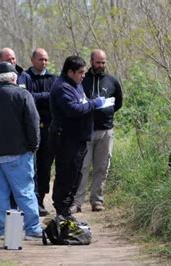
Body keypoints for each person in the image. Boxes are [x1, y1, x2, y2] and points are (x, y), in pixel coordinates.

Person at [0, 62, 43, 239]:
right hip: (18, 153)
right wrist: (33, 146)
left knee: (0, 194)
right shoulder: (23, 94)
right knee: (24, 192)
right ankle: (32, 228)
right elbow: (33, 123)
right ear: (14, 78)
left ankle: (4, 231)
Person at [49, 55, 106, 219]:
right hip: (66, 140)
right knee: (66, 175)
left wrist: (91, 102)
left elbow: (83, 102)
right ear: (70, 72)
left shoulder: (76, 85)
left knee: (75, 175)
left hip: (78, 139)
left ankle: (66, 211)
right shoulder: (62, 87)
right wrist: (95, 104)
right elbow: (73, 109)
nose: (83, 75)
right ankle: (62, 211)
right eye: (80, 72)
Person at [71, 49, 123, 213]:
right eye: (98, 62)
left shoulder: (112, 81)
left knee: (102, 167)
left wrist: (105, 113)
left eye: (103, 62)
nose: (101, 65)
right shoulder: (82, 80)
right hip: (85, 130)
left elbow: (118, 103)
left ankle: (97, 201)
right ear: (91, 61)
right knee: (83, 167)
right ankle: (77, 201)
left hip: (106, 131)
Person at [18, 48, 57, 216]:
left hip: (48, 128)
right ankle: (30, 202)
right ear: (32, 60)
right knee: (30, 168)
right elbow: (24, 97)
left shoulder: (53, 78)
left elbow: (55, 97)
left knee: (45, 167)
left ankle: (40, 200)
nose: (44, 62)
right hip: (30, 129)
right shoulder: (24, 77)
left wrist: (37, 96)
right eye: (41, 59)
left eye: (46, 60)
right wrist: (46, 96)